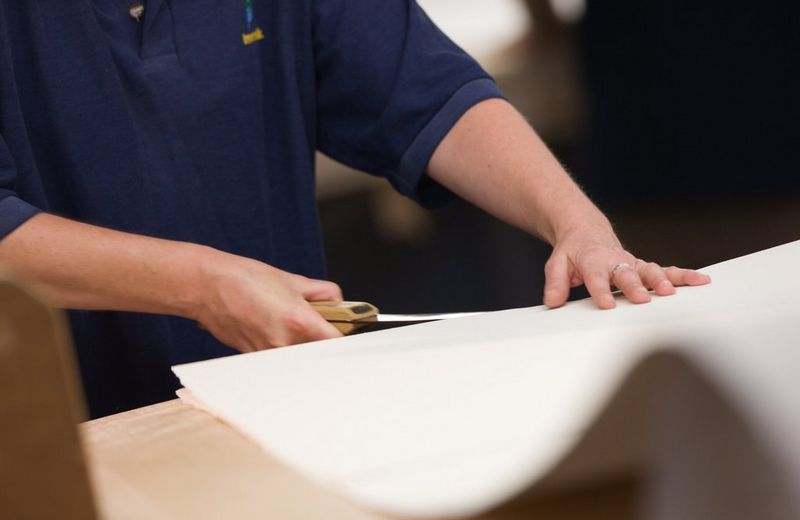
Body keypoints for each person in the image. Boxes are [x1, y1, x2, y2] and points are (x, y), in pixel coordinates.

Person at [0, 0, 709, 417]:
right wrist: (201, 284)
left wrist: (576, 224)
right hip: (54, 433)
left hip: (281, 410)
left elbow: (424, 90)